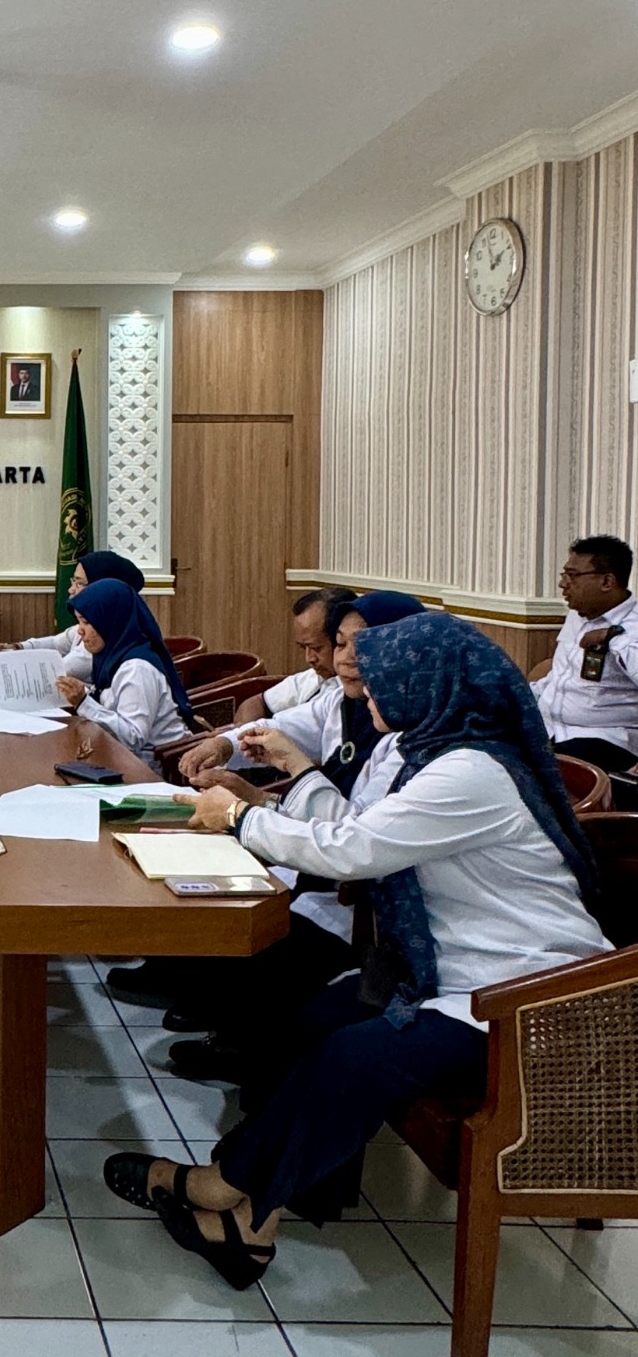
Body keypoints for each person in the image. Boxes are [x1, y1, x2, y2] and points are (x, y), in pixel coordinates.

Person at [103, 612, 609, 1292]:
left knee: (351, 1055)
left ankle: (225, 1191)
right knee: (312, 1023)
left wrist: (242, 818)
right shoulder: (432, 750)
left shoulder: (472, 771)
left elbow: (353, 850)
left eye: (382, 678)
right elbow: (359, 830)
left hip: (529, 999)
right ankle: (257, 1207)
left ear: (427, 684)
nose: (366, 688)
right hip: (451, 973)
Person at [108, 590, 426, 1015]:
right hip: (311, 856)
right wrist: (224, 745)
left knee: (254, 970)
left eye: (361, 646)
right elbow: (278, 727)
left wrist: (256, 802)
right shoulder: (340, 701)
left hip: (354, 900)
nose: (344, 657)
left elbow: (353, 836)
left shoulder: (409, 738)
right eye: (342, 643)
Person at [58, 578, 197, 761]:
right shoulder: (112, 655)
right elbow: (111, 699)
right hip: (124, 757)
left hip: (156, 767)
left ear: (109, 623)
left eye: (86, 623)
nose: (80, 632)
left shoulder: (137, 668)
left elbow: (133, 737)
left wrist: (84, 703)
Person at [533, 535, 638, 772]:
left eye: (573, 575)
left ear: (607, 581)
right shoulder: (577, 616)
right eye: (564, 574)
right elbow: (561, 676)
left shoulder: (633, 626)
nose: (563, 584)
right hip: (550, 729)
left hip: (603, 739)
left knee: (545, 772)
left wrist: (614, 638)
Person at [0, 550, 145, 671]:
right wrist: (17, 647)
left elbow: (60, 671)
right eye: (73, 581)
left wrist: (6, 665)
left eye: (79, 583)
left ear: (103, 589)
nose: (71, 590)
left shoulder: (103, 635)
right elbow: (56, 643)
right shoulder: (87, 626)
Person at [233, 586, 358, 722]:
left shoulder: (355, 693)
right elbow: (253, 704)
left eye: (316, 648)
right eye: (303, 647)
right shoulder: (312, 678)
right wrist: (240, 733)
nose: (309, 659)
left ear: (340, 641)